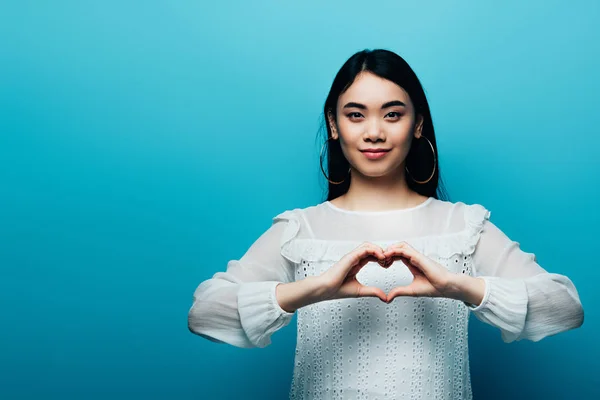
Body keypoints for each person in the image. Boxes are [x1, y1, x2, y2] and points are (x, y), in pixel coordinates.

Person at [188, 49, 584, 399]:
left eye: (392, 114)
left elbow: (566, 308)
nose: (374, 132)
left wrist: (457, 286)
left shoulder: (463, 225)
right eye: (355, 115)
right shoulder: (300, 229)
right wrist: (312, 290)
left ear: (417, 124)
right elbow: (203, 313)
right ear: (333, 124)